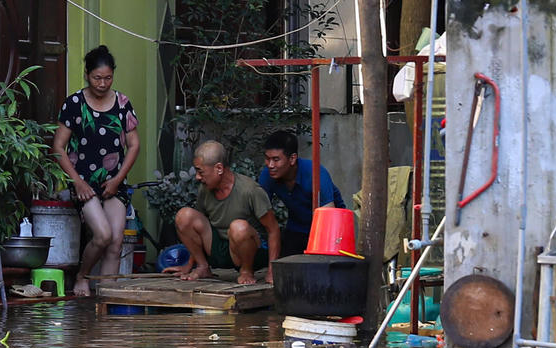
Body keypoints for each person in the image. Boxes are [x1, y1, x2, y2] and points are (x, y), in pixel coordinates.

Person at [52, 45, 141, 297]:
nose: (102, 83)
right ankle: (83, 275)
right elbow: (58, 147)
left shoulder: (123, 104)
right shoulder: (74, 104)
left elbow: (134, 145)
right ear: (87, 74)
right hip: (85, 183)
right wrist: (77, 182)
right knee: (101, 235)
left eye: (108, 78)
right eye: (97, 78)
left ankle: (107, 296)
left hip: (115, 182)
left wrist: (118, 180)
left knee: (115, 241)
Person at [163, 140, 280, 285]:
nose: (198, 177)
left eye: (201, 171)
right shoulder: (205, 189)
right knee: (184, 216)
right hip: (218, 246)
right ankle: (203, 266)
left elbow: (273, 229)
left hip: (248, 250)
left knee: (239, 227)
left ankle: (246, 271)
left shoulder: (250, 190)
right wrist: (189, 264)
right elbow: (196, 230)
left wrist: (271, 271)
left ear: (219, 168)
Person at [259, 130, 347, 258]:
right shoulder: (268, 175)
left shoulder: (316, 173)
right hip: (296, 230)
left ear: (292, 159)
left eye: (276, 159)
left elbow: (329, 216)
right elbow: (259, 209)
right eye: (267, 159)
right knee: (286, 267)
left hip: (329, 232)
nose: (270, 165)